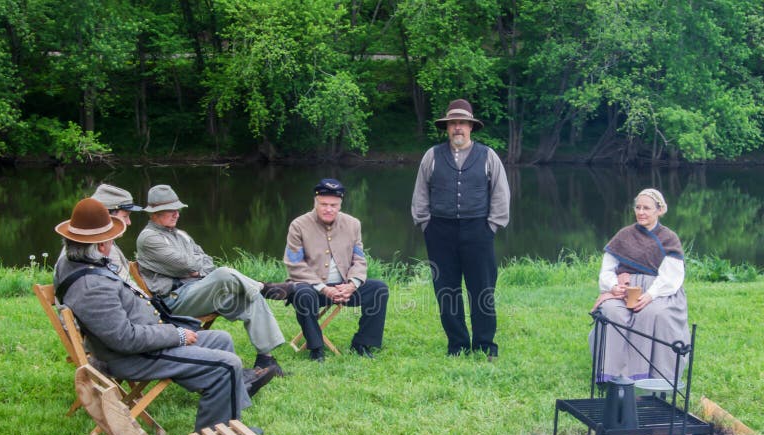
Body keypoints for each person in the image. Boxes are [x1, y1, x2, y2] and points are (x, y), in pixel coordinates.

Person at [53, 198, 277, 433]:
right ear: (100, 246)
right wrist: (176, 335)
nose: (111, 243)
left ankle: (230, 419)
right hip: (133, 356)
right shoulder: (91, 286)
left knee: (221, 339)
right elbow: (124, 339)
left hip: (144, 344)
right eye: (109, 239)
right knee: (227, 365)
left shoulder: (76, 262)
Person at [135, 185, 290, 374]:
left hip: (198, 291)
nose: (177, 214)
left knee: (249, 296)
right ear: (154, 213)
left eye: (178, 209)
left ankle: (265, 360)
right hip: (174, 301)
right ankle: (264, 288)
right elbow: (187, 265)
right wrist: (192, 268)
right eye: (171, 210)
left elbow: (207, 261)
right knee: (223, 274)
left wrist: (193, 269)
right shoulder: (149, 238)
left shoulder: (181, 234)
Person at [411, 98, 510, 359]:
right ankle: (457, 344)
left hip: (478, 229)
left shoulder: (488, 155)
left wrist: (491, 226)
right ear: (447, 127)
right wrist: (425, 224)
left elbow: (500, 193)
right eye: (453, 123)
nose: (457, 128)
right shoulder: (432, 156)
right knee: (446, 290)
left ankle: (485, 344)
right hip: (439, 231)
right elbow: (421, 192)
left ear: (471, 127)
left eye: (462, 123)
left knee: (483, 289)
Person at [590, 188, 689, 383]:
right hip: (624, 291)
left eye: (647, 208)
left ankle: (655, 377)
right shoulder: (624, 235)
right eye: (638, 207)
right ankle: (611, 375)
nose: (641, 212)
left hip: (659, 293)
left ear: (659, 211)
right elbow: (608, 269)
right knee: (612, 311)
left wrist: (650, 295)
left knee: (652, 314)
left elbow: (671, 277)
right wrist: (613, 286)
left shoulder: (669, 238)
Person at [284, 178, 389, 362]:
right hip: (311, 288)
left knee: (379, 289)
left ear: (340, 204)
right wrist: (324, 288)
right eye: (323, 204)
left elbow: (359, 259)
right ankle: (316, 348)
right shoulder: (298, 225)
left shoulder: (353, 224)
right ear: (315, 202)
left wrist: (352, 284)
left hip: (343, 288)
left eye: (333, 205)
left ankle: (362, 344)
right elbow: (294, 264)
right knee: (302, 294)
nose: (328, 209)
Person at [90, 183, 142, 285]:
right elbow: (127, 288)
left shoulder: (92, 241)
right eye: (125, 216)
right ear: (107, 215)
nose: (129, 222)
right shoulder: (98, 248)